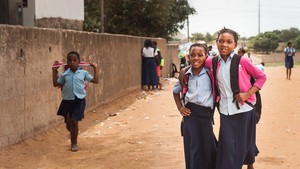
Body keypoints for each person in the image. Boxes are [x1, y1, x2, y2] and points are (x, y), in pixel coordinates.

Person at [206, 28, 266, 169]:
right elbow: (198, 62)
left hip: (244, 109)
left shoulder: (242, 61)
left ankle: (249, 164)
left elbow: (261, 77)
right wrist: (184, 72)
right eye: (221, 41)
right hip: (226, 111)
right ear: (216, 43)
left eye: (229, 42)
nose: (224, 45)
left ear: (235, 45)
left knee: (245, 142)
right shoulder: (213, 62)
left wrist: (247, 94)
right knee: (227, 147)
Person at [173, 43, 217, 169]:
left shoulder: (211, 73)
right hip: (190, 114)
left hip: (206, 115)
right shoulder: (185, 74)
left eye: (200, 55)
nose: (195, 58)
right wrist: (180, 108)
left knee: (207, 146)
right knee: (193, 147)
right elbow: (176, 92)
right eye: (192, 55)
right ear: (188, 57)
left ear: (206, 56)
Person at [52, 51, 98, 152]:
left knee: (74, 121)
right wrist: (54, 71)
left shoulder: (83, 73)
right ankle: (73, 132)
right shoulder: (65, 74)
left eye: (74, 60)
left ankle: (74, 143)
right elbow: (55, 84)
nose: (72, 62)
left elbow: (95, 80)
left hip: (79, 100)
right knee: (68, 123)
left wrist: (95, 67)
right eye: (70, 60)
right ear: (67, 62)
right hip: (67, 101)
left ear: (78, 62)